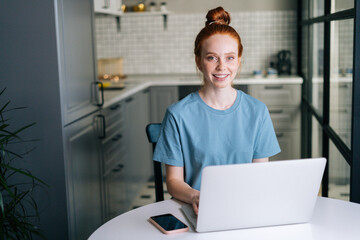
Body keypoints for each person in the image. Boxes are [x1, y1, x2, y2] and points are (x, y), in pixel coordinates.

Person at [153, 6, 281, 215]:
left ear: (239, 60)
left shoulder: (258, 112)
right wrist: (196, 196)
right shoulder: (177, 115)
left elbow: (261, 176)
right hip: (197, 211)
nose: (222, 67)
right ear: (198, 61)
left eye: (230, 58)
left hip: (245, 210)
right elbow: (174, 181)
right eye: (212, 57)